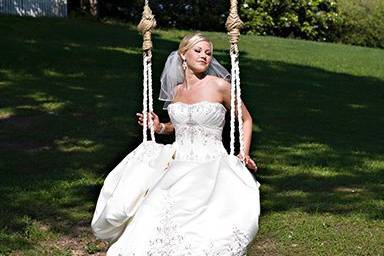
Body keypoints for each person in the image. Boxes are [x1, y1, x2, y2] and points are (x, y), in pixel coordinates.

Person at [91, 33, 261, 255]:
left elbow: (246, 119)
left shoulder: (220, 86)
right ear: (183, 55)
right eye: (198, 51)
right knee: (154, 213)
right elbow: (179, 126)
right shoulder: (176, 91)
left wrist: (243, 153)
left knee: (203, 227)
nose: (204, 56)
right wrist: (159, 126)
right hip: (177, 163)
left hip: (211, 165)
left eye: (208, 53)